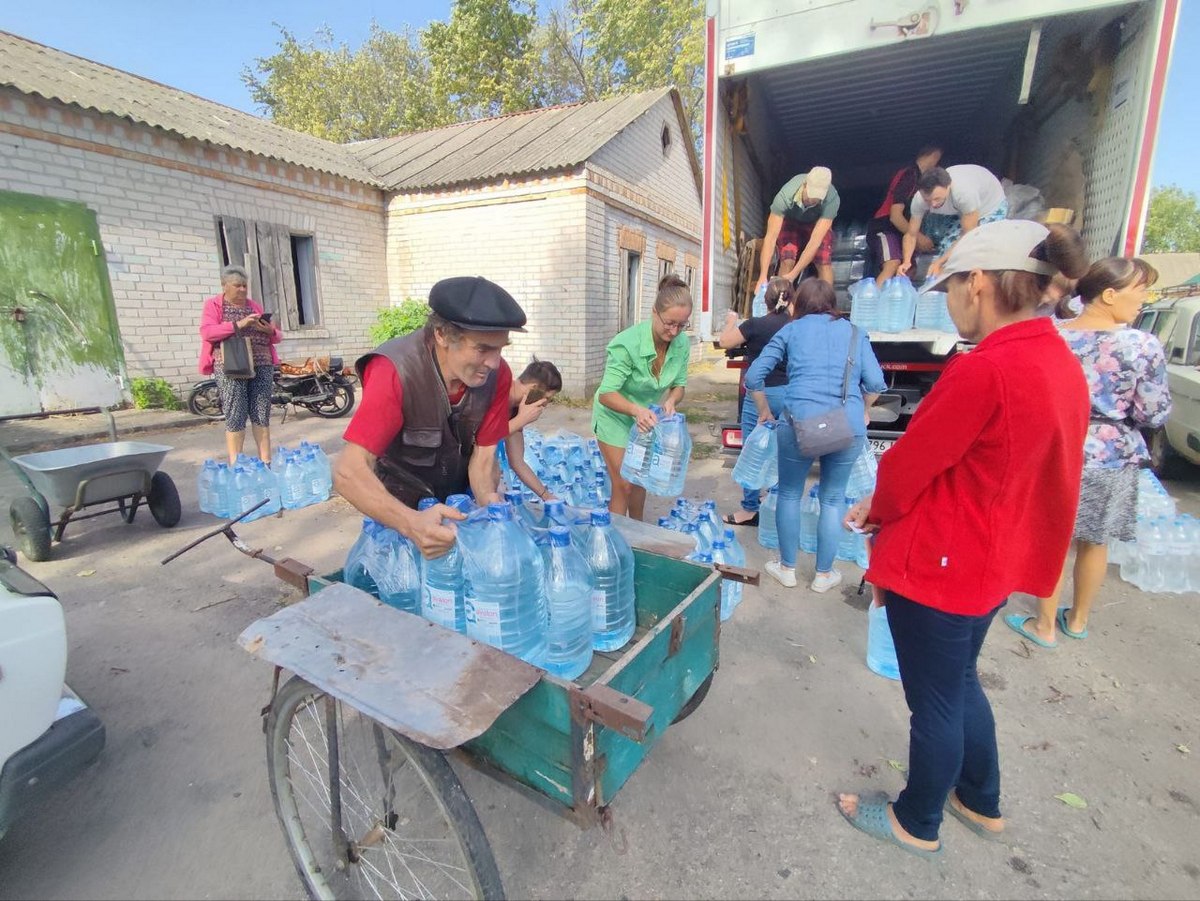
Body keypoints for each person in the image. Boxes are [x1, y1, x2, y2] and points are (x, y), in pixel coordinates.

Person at [838, 220, 1091, 857]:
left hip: (947, 561)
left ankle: (915, 820)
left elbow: (909, 463)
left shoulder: (988, 370)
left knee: (935, 704)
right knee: (960, 682)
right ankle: (980, 799)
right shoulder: (1057, 360)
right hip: (993, 556)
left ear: (978, 283)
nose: (947, 301)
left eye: (949, 287)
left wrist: (874, 508)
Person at [1006, 258, 1170, 648]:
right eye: (1139, 292)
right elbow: (1154, 411)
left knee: (1053, 538)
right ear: (1110, 295)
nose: (1143, 301)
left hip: (1056, 447)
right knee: (1096, 540)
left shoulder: (1052, 334)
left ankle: (1043, 625)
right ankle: (1077, 620)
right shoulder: (1141, 345)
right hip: (1112, 454)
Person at [332, 276, 526, 559]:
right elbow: (347, 471)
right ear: (442, 335)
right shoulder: (395, 370)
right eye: (483, 349)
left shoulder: (498, 376)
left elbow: (484, 461)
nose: (494, 363)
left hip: (456, 511)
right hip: (400, 515)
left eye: (500, 348)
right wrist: (411, 523)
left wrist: (490, 507)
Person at [746, 279, 885, 592]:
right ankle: (824, 575)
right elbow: (875, 383)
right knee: (833, 498)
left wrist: (765, 410)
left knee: (790, 494)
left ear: (799, 304)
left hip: (798, 424)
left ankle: (787, 569)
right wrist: (863, 409)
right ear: (832, 304)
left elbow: (754, 376)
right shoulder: (854, 332)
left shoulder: (790, 330)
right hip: (846, 425)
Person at [593, 275, 693, 521]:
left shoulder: (681, 344)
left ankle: (638, 533)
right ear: (654, 313)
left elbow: (679, 385)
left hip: (646, 419)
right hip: (615, 417)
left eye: (682, 325)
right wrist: (636, 411)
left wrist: (671, 401)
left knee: (640, 481)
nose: (674, 331)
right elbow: (606, 393)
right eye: (669, 323)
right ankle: (614, 540)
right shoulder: (627, 344)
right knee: (623, 483)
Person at [717, 277, 796, 526]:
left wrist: (731, 321)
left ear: (765, 301)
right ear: (792, 299)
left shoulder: (756, 325)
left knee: (753, 450)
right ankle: (774, 505)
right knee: (782, 451)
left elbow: (724, 342)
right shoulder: (796, 326)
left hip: (758, 394)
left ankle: (750, 509)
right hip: (787, 394)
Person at [198, 265, 282, 464]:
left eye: (245, 286)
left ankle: (265, 462)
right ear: (224, 286)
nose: (243, 290)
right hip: (231, 366)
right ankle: (237, 464)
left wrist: (269, 331)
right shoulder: (214, 305)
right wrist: (239, 325)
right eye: (238, 286)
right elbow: (207, 332)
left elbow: (277, 336)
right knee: (235, 413)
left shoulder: (254, 306)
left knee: (261, 412)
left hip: (262, 363)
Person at [899, 164, 1008, 279]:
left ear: (948, 186)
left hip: (989, 207)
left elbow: (968, 235)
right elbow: (911, 234)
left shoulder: (963, 193)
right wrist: (906, 261)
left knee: (962, 251)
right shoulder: (919, 200)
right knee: (938, 237)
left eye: (937, 199)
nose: (933, 204)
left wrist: (940, 262)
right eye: (928, 200)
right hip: (958, 209)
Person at [866, 145, 943, 286]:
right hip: (885, 228)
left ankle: (897, 302)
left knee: (909, 269)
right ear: (933, 155)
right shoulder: (910, 174)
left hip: (903, 233)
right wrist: (918, 237)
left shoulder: (922, 181)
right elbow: (895, 216)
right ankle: (873, 305)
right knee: (893, 263)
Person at [757, 166, 839, 288]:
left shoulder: (832, 199)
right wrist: (762, 276)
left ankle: (827, 303)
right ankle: (781, 301)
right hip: (791, 220)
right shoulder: (785, 196)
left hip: (816, 222)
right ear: (805, 185)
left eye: (817, 198)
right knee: (787, 259)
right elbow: (770, 238)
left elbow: (814, 242)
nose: (813, 200)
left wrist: (793, 275)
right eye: (811, 195)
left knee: (823, 262)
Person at [503, 358, 563, 502]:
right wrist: (521, 420)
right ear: (534, 388)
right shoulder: (500, 392)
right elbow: (484, 436)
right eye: (547, 398)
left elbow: (517, 462)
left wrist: (545, 495)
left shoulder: (516, 409)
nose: (545, 405)